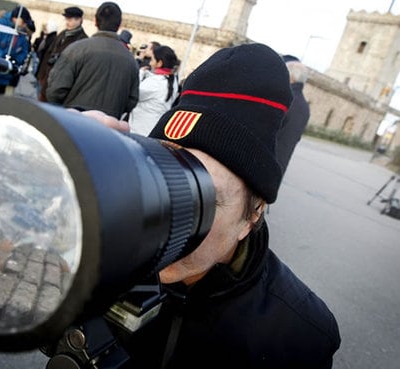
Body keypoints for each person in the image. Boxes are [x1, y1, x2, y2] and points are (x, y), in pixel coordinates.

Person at [83, 43, 341, 368]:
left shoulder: (298, 336)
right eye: (163, 178)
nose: (167, 218)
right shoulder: (111, 254)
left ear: (253, 213)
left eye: (200, 198)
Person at [46, 1, 139, 119]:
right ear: (119, 25)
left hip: (72, 122)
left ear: (95, 21)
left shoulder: (77, 49)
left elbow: (55, 90)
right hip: (107, 128)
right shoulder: (131, 61)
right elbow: (131, 101)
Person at [37, 6, 88, 101]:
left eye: (71, 19)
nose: (67, 22)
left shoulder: (83, 40)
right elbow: (48, 54)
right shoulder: (62, 34)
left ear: (80, 20)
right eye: (66, 19)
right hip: (47, 82)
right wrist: (41, 76)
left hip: (62, 87)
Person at [128, 45, 180, 135]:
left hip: (141, 129)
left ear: (159, 63)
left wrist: (140, 74)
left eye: (152, 60)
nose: (150, 63)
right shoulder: (172, 80)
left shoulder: (155, 82)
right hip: (152, 127)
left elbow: (134, 93)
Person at [277, 54, 311, 173]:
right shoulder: (305, 107)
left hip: (265, 163)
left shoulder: (285, 99)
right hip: (281, 164)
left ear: (291, 78)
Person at [32, 20, 59, 96]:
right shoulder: (49, 38)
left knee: (40, 92)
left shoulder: (51, 40)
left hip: (44, 70)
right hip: (42, 69)